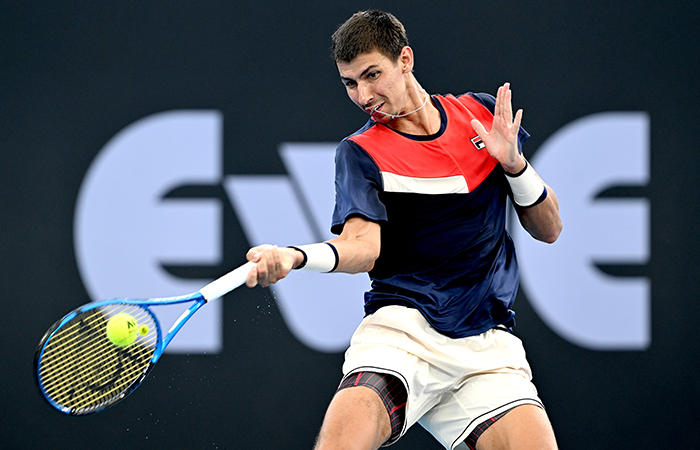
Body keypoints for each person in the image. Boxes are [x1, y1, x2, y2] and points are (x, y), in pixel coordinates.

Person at [244, 9, 562, 450]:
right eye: (350, 83)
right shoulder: (360, 152)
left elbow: (549, 229)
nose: (363, 95)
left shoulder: (481, 115)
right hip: (402, 337)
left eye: (373, 75)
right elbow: (361, 247)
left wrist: (514, 165)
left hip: (487, 344)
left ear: (405, 60)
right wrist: (294, 256)